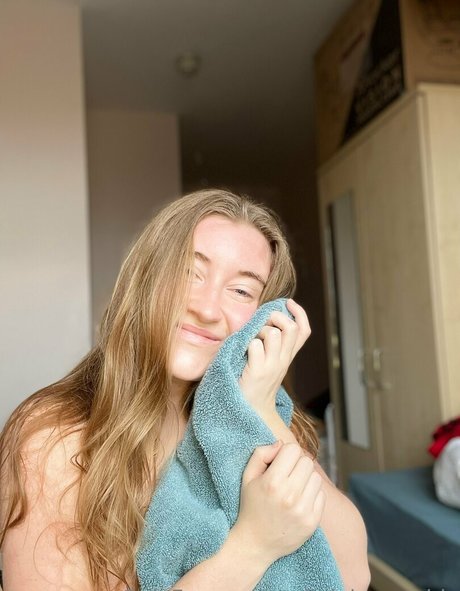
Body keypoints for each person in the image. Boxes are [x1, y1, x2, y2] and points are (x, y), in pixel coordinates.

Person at [0, 189, 370, 591]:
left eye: (241, 291)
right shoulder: (52, 437)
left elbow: (353, 571)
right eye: (189, 272)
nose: (207, 309)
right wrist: (253, 546)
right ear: (145, 280)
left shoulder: (255, 419)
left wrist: (262, 410)